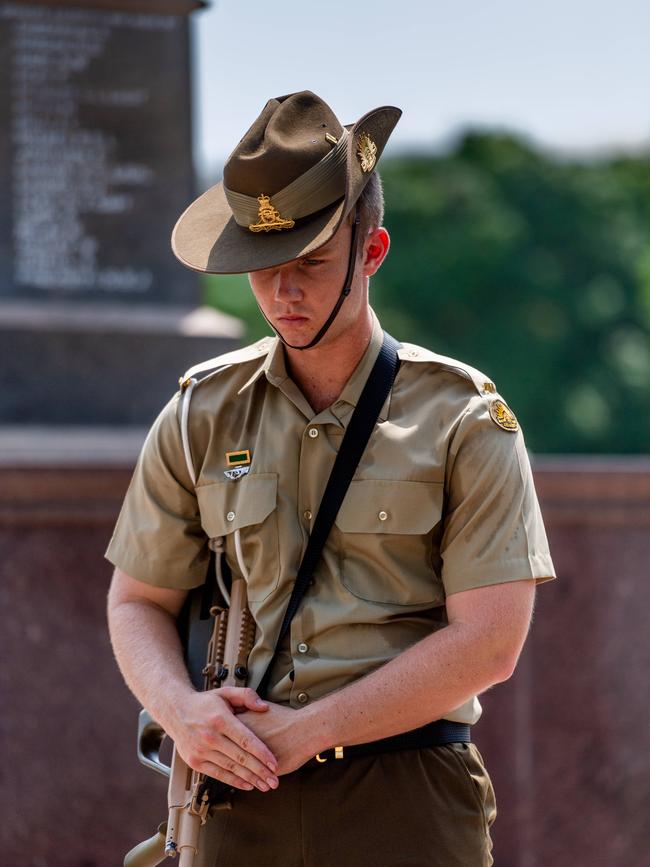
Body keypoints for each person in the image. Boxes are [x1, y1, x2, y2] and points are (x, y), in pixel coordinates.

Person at [106, 91, 556, 866]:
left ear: (372, 251)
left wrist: (310, 729)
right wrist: (183, 712)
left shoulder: (463, 418)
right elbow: (137, 599)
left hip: (409, 797)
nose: (284, 293)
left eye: (310, 262)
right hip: (236, 796)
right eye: (262, 267)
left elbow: (490, 641)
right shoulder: (199, 412)